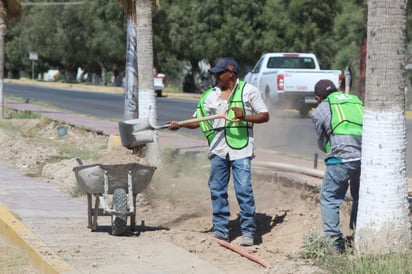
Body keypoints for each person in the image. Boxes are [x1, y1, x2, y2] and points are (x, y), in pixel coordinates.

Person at [168, 57, 269, 246]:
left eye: (219, 73)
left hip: (242, 149)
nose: (215, 76)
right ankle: (221, 230)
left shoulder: (249, 91)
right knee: (217, 189)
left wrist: (245, 116)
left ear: (230, 73)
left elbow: (265, 115)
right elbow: (197, 121)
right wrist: (179, 126)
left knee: (244, 190)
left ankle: (248, 232)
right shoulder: (209, 95)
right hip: (218, 149)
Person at [311, 79, 364, 253]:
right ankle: (358, 236)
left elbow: (322, 140)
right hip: (366, 158)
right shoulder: (355, 100)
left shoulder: (321, 109)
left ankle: (335, 246)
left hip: (340, 159)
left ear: (318, 97)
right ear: (336, 89)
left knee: (329, 199)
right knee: (360, 198)